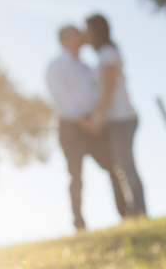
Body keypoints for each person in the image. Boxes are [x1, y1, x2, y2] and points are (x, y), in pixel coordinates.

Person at [46, 25, 126, 230]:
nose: (82, 35)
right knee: (76, 176)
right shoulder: (57, 66)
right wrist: (84, 123)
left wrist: (97, 120)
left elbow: (96, 93)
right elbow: (60, 99)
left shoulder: (86, 67)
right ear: (66, 39)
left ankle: (126, 213)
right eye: (76, 33)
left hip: (93, 124)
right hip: (72, 128)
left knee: (112, 166)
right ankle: (79, 223)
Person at [80, 14, 147, 217]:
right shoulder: (104, 54)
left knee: (125, 165)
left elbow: (109, 87)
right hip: (116, 120)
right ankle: (135, 210)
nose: (85, 35)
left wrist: (97, 118)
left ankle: (138, 211)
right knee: (122, 164)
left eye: (87, 30)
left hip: (122, 118)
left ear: (95, 31)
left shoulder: (107, 53)